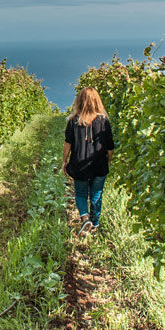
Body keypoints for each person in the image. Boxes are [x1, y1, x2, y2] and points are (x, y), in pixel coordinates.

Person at [61, 87, 115, 232]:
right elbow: (110, 145)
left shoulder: (73, 121)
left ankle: (85, 218)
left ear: (79, 101)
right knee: (96, 194)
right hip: (99, 164)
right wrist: (108, 160)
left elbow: (68, 143)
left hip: (79, 165)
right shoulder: (104, 121)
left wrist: (64, 161)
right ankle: (95, 225)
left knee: (80, 193)